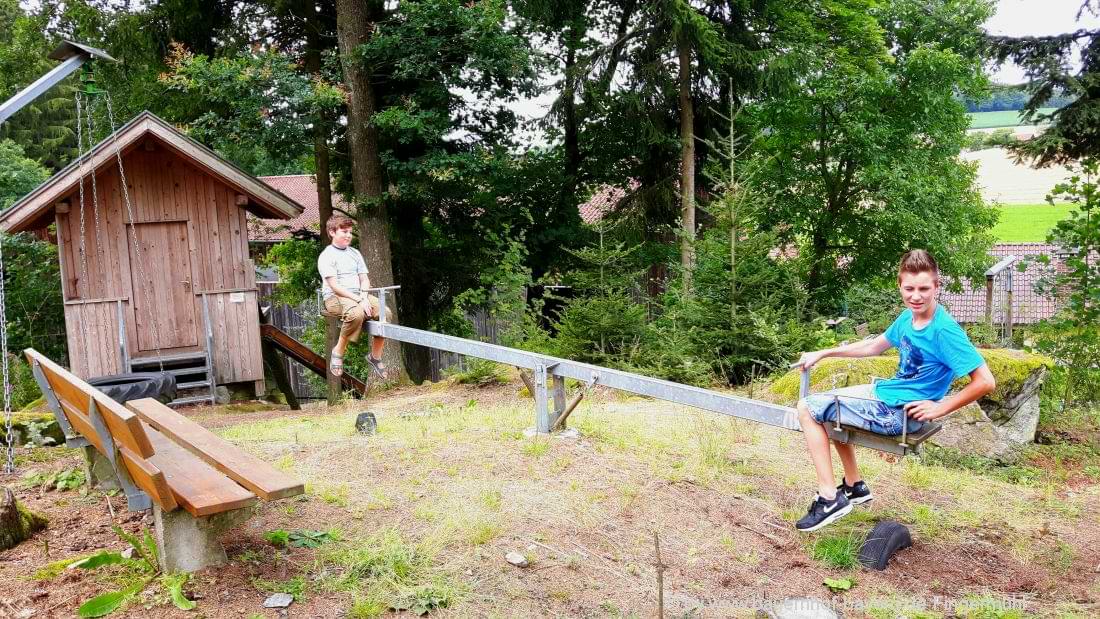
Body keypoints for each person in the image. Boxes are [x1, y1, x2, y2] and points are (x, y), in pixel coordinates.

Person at [792, 250, 995, 532]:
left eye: (924, 288)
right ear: (900, 285)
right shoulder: (907, 318)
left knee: (808, 408)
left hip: (899, 412)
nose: (916, 296)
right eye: (909, 288)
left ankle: (829, 498)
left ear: (937, 287)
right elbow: (874, 346)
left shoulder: (944, 330)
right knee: (830, 407)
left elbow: (985, 381)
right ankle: (854, 486)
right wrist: (825, 352)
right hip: (888, 395)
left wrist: (940, 407)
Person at [317, 215, 389, 378]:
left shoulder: (355, 253)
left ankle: (375, 357)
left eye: (350, 232)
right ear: (332, 232)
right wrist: (359, 300)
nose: (349, 235)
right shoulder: (327, 256)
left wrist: (363, 297)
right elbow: (334, 286)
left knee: (385, 313)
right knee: (356, 313)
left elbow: (364, 279)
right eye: (344, 232)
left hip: (358, 295)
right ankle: (338, 350)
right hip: (335, 297)